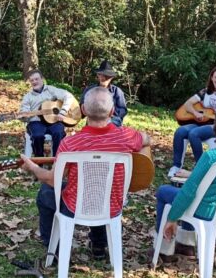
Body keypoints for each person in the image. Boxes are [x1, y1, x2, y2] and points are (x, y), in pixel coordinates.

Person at [20, 87, 151, 259]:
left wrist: (32, 167)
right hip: (112, 205)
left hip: (76, 206)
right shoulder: (127, 136)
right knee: (99, 189)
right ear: (112, 111)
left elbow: (52, 180)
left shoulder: (70, 144)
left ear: (83, 110)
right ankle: (98, 246)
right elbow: (147, 139)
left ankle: (56, 250)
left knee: (45, 192)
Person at [154, 106, 216, 262]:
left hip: (205, 210)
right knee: (191, 194)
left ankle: (164, 249)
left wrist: (172, 218)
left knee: (164, 191)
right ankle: (186, 244)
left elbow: (189, 191)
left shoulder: (212, 156)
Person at [169, 66, 216, 178]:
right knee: (180, 131)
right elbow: (188, 104)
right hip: (201, 123)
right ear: (212, 78)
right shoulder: (205, 92)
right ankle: (176, 166)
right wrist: (195, 113)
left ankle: (200, 166)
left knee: (194, 134)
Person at [20, 69, 77, 157]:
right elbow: (25, 114)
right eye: (32, 80)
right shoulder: (27, 97)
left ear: (42, 79)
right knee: (37, 136)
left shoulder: (51, 90)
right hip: (36, 122)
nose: (34, 82)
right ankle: (39, 161)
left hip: (54, 120)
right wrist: (23, 116)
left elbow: (68, 96)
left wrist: (63, 111)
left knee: (58, 132)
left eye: (36, 79)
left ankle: (57, 160)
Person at [79, 60, 128, 127]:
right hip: (93, 121)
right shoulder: (90, 90)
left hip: (112, 121)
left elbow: (122, 110)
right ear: (97, 75)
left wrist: (108, 115)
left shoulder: (117, 91)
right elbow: (81, 108)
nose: (103, 77)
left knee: (111, 123)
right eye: (100, 75)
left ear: (111, 78)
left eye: (107, 76)